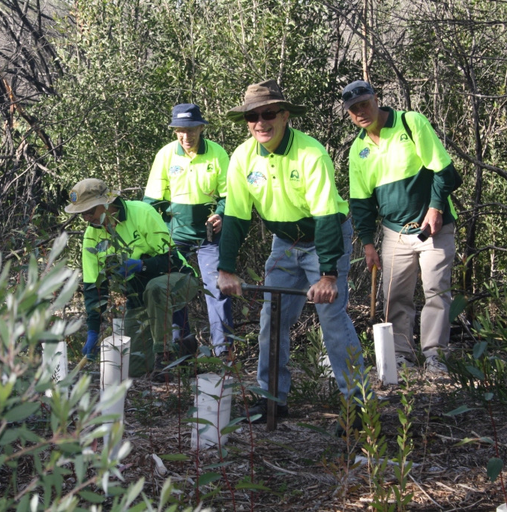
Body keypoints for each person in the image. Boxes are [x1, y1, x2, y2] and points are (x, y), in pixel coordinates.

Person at [217, 80, 367, 423]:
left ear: (285, 115)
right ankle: (272, 399)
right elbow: (236, 217)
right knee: (273, 318)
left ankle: (359, 406)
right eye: (252, 117)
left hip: (323, 238)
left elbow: (327, 216)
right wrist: (226, 268)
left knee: (331, 317)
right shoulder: (242, 158)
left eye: (268, 113)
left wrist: (328, 273)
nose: (260, 123)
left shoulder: (310, 153)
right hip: (285, 243)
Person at [343, 80, 461, 375]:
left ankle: (435, 356)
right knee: (394, 295)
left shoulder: (411, 123)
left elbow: (444, 171)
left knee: (435, 290)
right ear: (348, 114)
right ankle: (400, 357)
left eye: (364, 104)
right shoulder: (358, 149)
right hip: (394, 231)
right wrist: (368, 244)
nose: (361, 112)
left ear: (376, 99)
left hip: (433, 225)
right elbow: (361, 203)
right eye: (354, 109)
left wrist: (435, 209)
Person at [65, 178, 199, 378]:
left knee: (155, 288)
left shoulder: (142, 213)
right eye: (81, 214)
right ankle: (182, 349)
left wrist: (142, 265)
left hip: (178, 280)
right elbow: (94, 288)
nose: (86, 218)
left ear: (106, 203)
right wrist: (93, 330)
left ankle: (164, 356)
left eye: (89, 212)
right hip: (139, 300)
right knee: (132, 369)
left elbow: (171, 260)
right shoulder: (91, 237)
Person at [143, 103, 233, 358]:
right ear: (174, 131)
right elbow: (152, 201)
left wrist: (222, 213)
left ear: (201, 128)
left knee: (216, 288)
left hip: (208, 236)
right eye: (180, 130)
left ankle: (222, 351)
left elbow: (228, 195)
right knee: (172, 285)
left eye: (191, 129)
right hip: (176, 234)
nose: (186, 136)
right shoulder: (165, 155)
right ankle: (181, 347)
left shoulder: (217, 154)